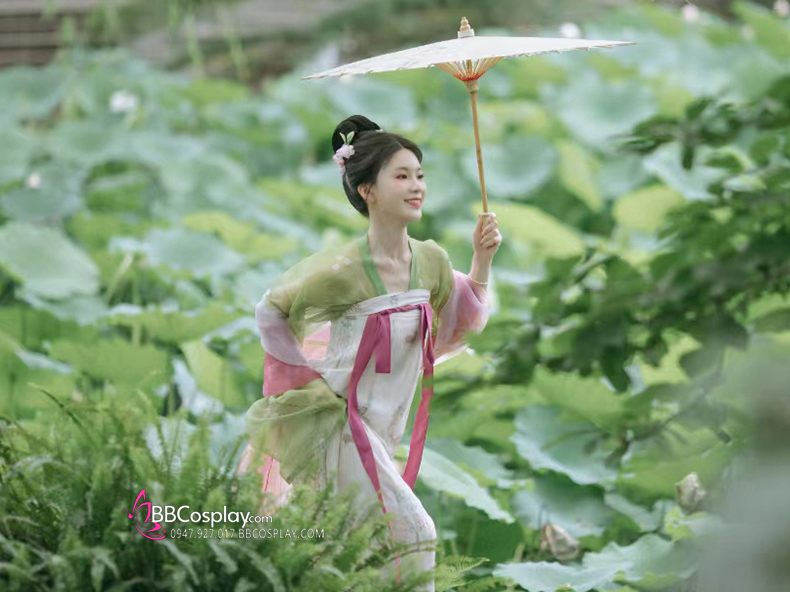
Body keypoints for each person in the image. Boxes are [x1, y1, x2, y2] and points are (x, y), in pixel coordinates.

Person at [237, 114, 502, 591]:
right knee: (415, 532)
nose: (417, 186)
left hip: (382, 427)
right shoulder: (343, 269)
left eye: (419, 175)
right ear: (367, 191)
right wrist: (309, 385)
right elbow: (270, 311)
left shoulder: (431, 261)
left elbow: (461, 318)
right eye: (401, 176)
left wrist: (482, 260)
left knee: (345, 551)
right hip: (337, 423)